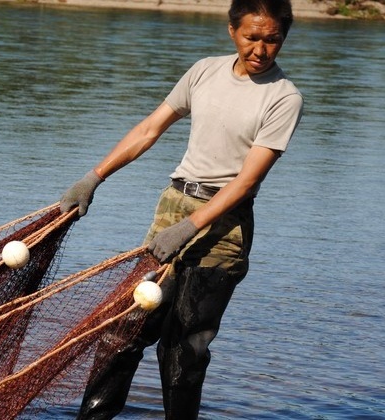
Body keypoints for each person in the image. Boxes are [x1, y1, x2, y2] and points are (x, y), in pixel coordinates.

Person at [59, 0, 303, 418]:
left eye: (272, 40)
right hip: (172, 208)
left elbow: (246, 182)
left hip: (222, 227)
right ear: (232, 31)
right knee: (123, 332)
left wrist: (190, 227)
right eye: (251, 37)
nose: (261, 49)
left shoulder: (284, 98)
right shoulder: (204, 71)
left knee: (184, 349)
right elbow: (149, 129)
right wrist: (93, 178)